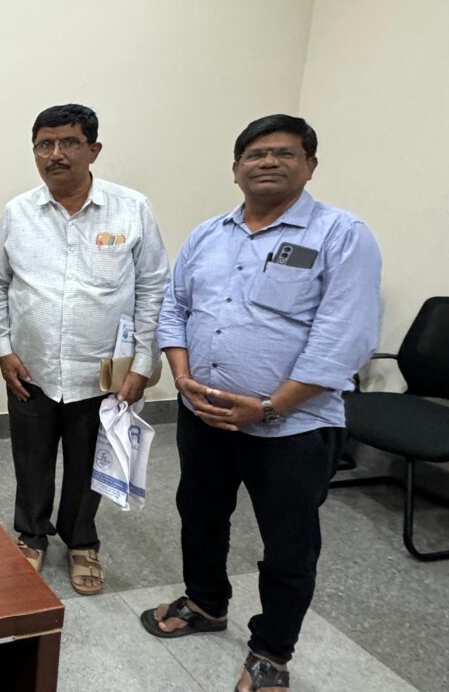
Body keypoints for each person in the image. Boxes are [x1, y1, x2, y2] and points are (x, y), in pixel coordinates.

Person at [141, 114, 381, 692]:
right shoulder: (208, 235)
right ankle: (205, 602)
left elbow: (343, 338)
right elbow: (174, 308)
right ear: (236, 169)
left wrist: (270, 407)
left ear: (310, 165)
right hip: (205, 416)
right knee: (200, 516)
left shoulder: (341, 235)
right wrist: (182, 376)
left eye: (284, 152)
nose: (268, 162)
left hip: (292, 428)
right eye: (254, 154)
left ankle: (272, 651)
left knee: (288, 545)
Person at [0, 104, 168, 595]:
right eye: (45, 144)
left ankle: (82, 541)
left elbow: (154, 289)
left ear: (94, 150)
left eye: (69, 142)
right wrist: (3, 350)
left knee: (91, 463)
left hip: (103, 372)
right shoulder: (18, 213)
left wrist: (143, 365)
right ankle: (31, 534)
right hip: (32, 369)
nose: (56, 154)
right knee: (32, 461)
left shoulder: (132, 209)